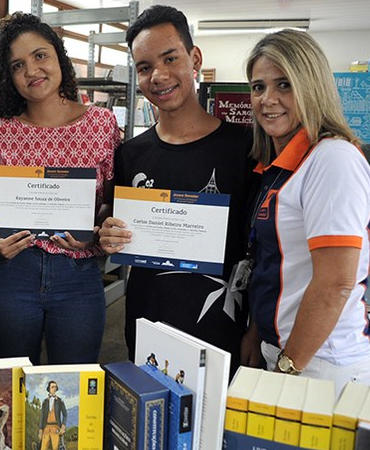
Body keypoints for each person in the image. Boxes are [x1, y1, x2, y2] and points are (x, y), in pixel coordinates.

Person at [98, 5, 256, 374]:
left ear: (194, 58)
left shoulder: (245, 148)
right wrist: (108, 235)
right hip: (147, 320)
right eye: (144, 67)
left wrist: (257, 326)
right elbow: (115, 227)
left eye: (170, 59)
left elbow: (262, 246)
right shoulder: (130, 154)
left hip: (222, 323)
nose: (159, 75)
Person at [0, 12, 122, 364]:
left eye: (40, 55)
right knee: (11, 381)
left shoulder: (102, 123)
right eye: (17, 65)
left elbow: (114, 203)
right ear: (8, 78)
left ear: (58, 57)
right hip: (12, 275)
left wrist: (95, 232)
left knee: (72, 387)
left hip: (78, 275)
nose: (32, 71)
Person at [240, 29, 370, 397]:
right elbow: (276, 265)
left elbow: (335, 283)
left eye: (284, 84)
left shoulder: (333, 160)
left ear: (311, 86)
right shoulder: (281, 166)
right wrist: (259, 333)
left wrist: (288, 366)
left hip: (320, 363)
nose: (268, 100)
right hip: (286, 350)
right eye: (258, 87)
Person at [39, 381, 67, 450]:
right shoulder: (45, 402)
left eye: (55, 387)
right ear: (49, 389)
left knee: (55, 448)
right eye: (52, 387)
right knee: (43, 448)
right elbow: (42, 416)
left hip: (56, 428)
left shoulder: (60, 401)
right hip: (46, 428)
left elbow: (65, 414)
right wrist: (40, 430)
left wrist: (63, 427)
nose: (54, 389)